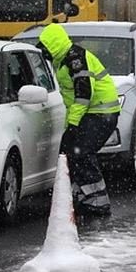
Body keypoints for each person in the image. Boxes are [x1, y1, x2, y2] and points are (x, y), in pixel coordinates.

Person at [37, 23, 121, 217]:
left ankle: (98, 202)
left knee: (82, 152)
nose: (45, 54)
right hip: (91, 113)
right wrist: (70, 124)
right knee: (69, 153)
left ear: (54, 45)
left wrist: (73, 124)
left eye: (46, 48)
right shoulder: (62, 60)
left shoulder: (76, 59)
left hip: (100, 112)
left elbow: (84, 94)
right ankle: (79, 195)